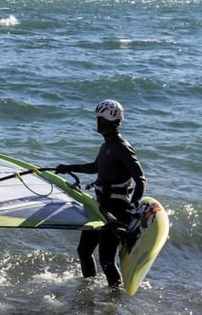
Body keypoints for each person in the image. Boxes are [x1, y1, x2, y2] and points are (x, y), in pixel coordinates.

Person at [54, 99, 146, 287]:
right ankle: (88, 288)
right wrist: (68, 167)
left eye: (98, 119)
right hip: (99, 207)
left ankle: (115, 298)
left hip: (115, 210)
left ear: (105, 121)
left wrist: (133, 206)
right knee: (84, 251)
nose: (96, 122)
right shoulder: (106, 146)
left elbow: (141, 179)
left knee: (106, 260)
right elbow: (95, 167)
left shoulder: (122, 147)